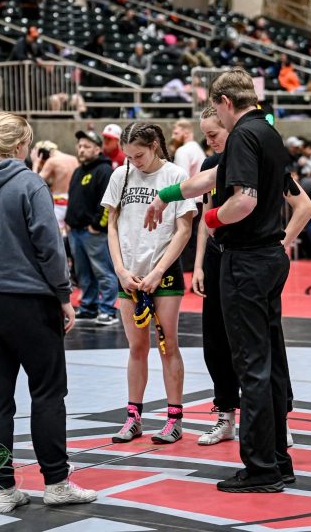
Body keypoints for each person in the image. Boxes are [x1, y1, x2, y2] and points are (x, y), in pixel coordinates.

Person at [144, 67, 303, 493]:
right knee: (268, 362)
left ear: (224, 104)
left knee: (250, 364)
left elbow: (243, 200)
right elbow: (211, 178)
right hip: (269, 257)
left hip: (247, 259)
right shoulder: (267, 132)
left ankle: (260, 469)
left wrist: (212, 220)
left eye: (215, 110)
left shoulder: (244, 136)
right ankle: (277, 461)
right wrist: (166, 195)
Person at [0, 112, 97, 513]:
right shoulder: (28, 184)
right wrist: (63, 295)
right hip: (26, 300)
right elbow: (48, 245)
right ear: (19, 146)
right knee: (47, 391)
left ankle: (3, 491)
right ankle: (57, 483)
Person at [192, 107, 311, 447]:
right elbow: (205, 219)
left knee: (263, 344)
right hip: (221, 260)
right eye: (205, 136)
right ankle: (225, 415)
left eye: (214, 134)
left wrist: (283, 241)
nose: (210, 141)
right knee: (217, 340)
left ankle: (278, 419)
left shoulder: (257, 159)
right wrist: (200, 264)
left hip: (250, 259)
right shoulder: (210, 166)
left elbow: (304, 207)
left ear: (231, 128)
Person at [101, 122, 196, 444]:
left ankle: (174, 418)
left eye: (139, 155)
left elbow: (184, 230)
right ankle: (133, 417)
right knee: (136, 347)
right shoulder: (120, 175)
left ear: (154, 145)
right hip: (129, 274)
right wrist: (119, 269)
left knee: (168, 345)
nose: (134, 162)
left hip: (163, 273)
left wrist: (158, 271)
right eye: (129, 156)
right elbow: (111, 226)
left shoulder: (175, 176)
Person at [65, 130, 119, 326]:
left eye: (86, 146)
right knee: (83, 273)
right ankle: (88, 307)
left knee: (103, 271)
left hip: (93, 232)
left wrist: (97, 225)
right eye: (79, 146)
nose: (81, 150)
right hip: (76, 231)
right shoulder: (79, 171)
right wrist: (69, 223)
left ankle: (108, 309)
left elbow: (108, 202)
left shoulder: (104, 171)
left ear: (98, 149)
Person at [171, 119, 205, 271]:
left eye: (176, 132)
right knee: (196, 240)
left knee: (185, 241)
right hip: (201, 200)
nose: (173, 136)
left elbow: (181, 181)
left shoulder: (183, 151)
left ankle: (187, 276)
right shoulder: (197, 148)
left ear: (186, 132)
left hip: (190, 202)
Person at [31, 140, 79, 235]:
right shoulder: (73, 159)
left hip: (59, 203)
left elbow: (34, 182)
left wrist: (35, 163)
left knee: (55, 234)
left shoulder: (52, 161)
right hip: (73, 201)